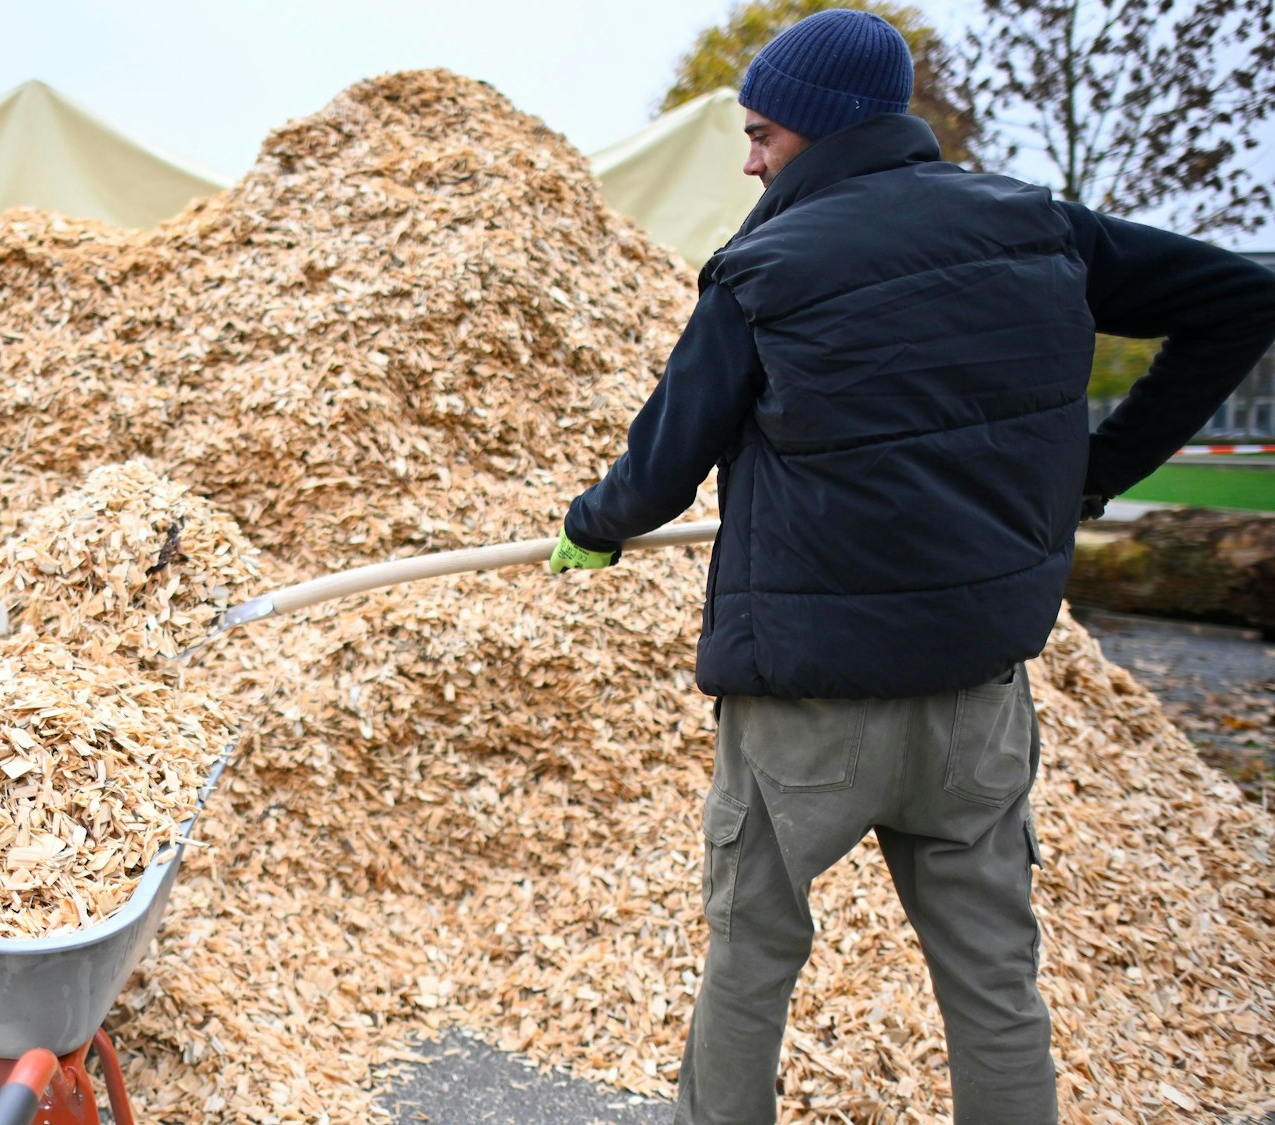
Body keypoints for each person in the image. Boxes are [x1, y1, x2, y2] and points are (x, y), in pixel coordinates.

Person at [545, 9, 1275, 1124]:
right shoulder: (1036, 229)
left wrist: (591, 524)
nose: (746, 159)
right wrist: (1099, 465)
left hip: (804, 716)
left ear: (821, 128)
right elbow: (1238, 298)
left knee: (750, 964)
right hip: (973, 709)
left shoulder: (760, 270)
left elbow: (660, 469)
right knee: (992, 982)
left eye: (761, 136)